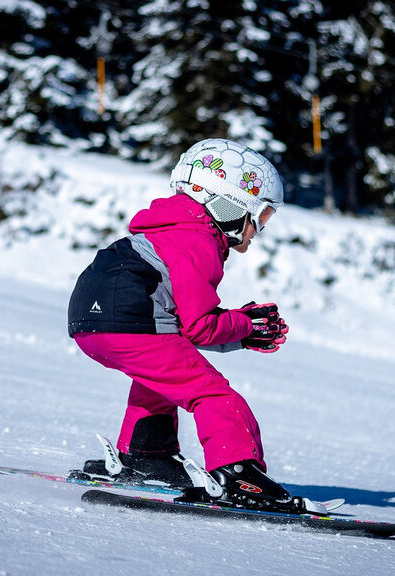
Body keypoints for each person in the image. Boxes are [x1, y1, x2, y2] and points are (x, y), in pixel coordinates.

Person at [67, 139, 292, 508]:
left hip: (90, 323)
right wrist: (246, 326)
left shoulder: (167, 230)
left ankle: (148, 455)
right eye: (262, 216)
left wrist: (238, 329)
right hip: (129, 320)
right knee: (214, 394)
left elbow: (183, 328)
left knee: (161, 375)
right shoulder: (198, 239)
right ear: (230, 204)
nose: (258, 230)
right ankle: (238, 476)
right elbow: (199, 327)